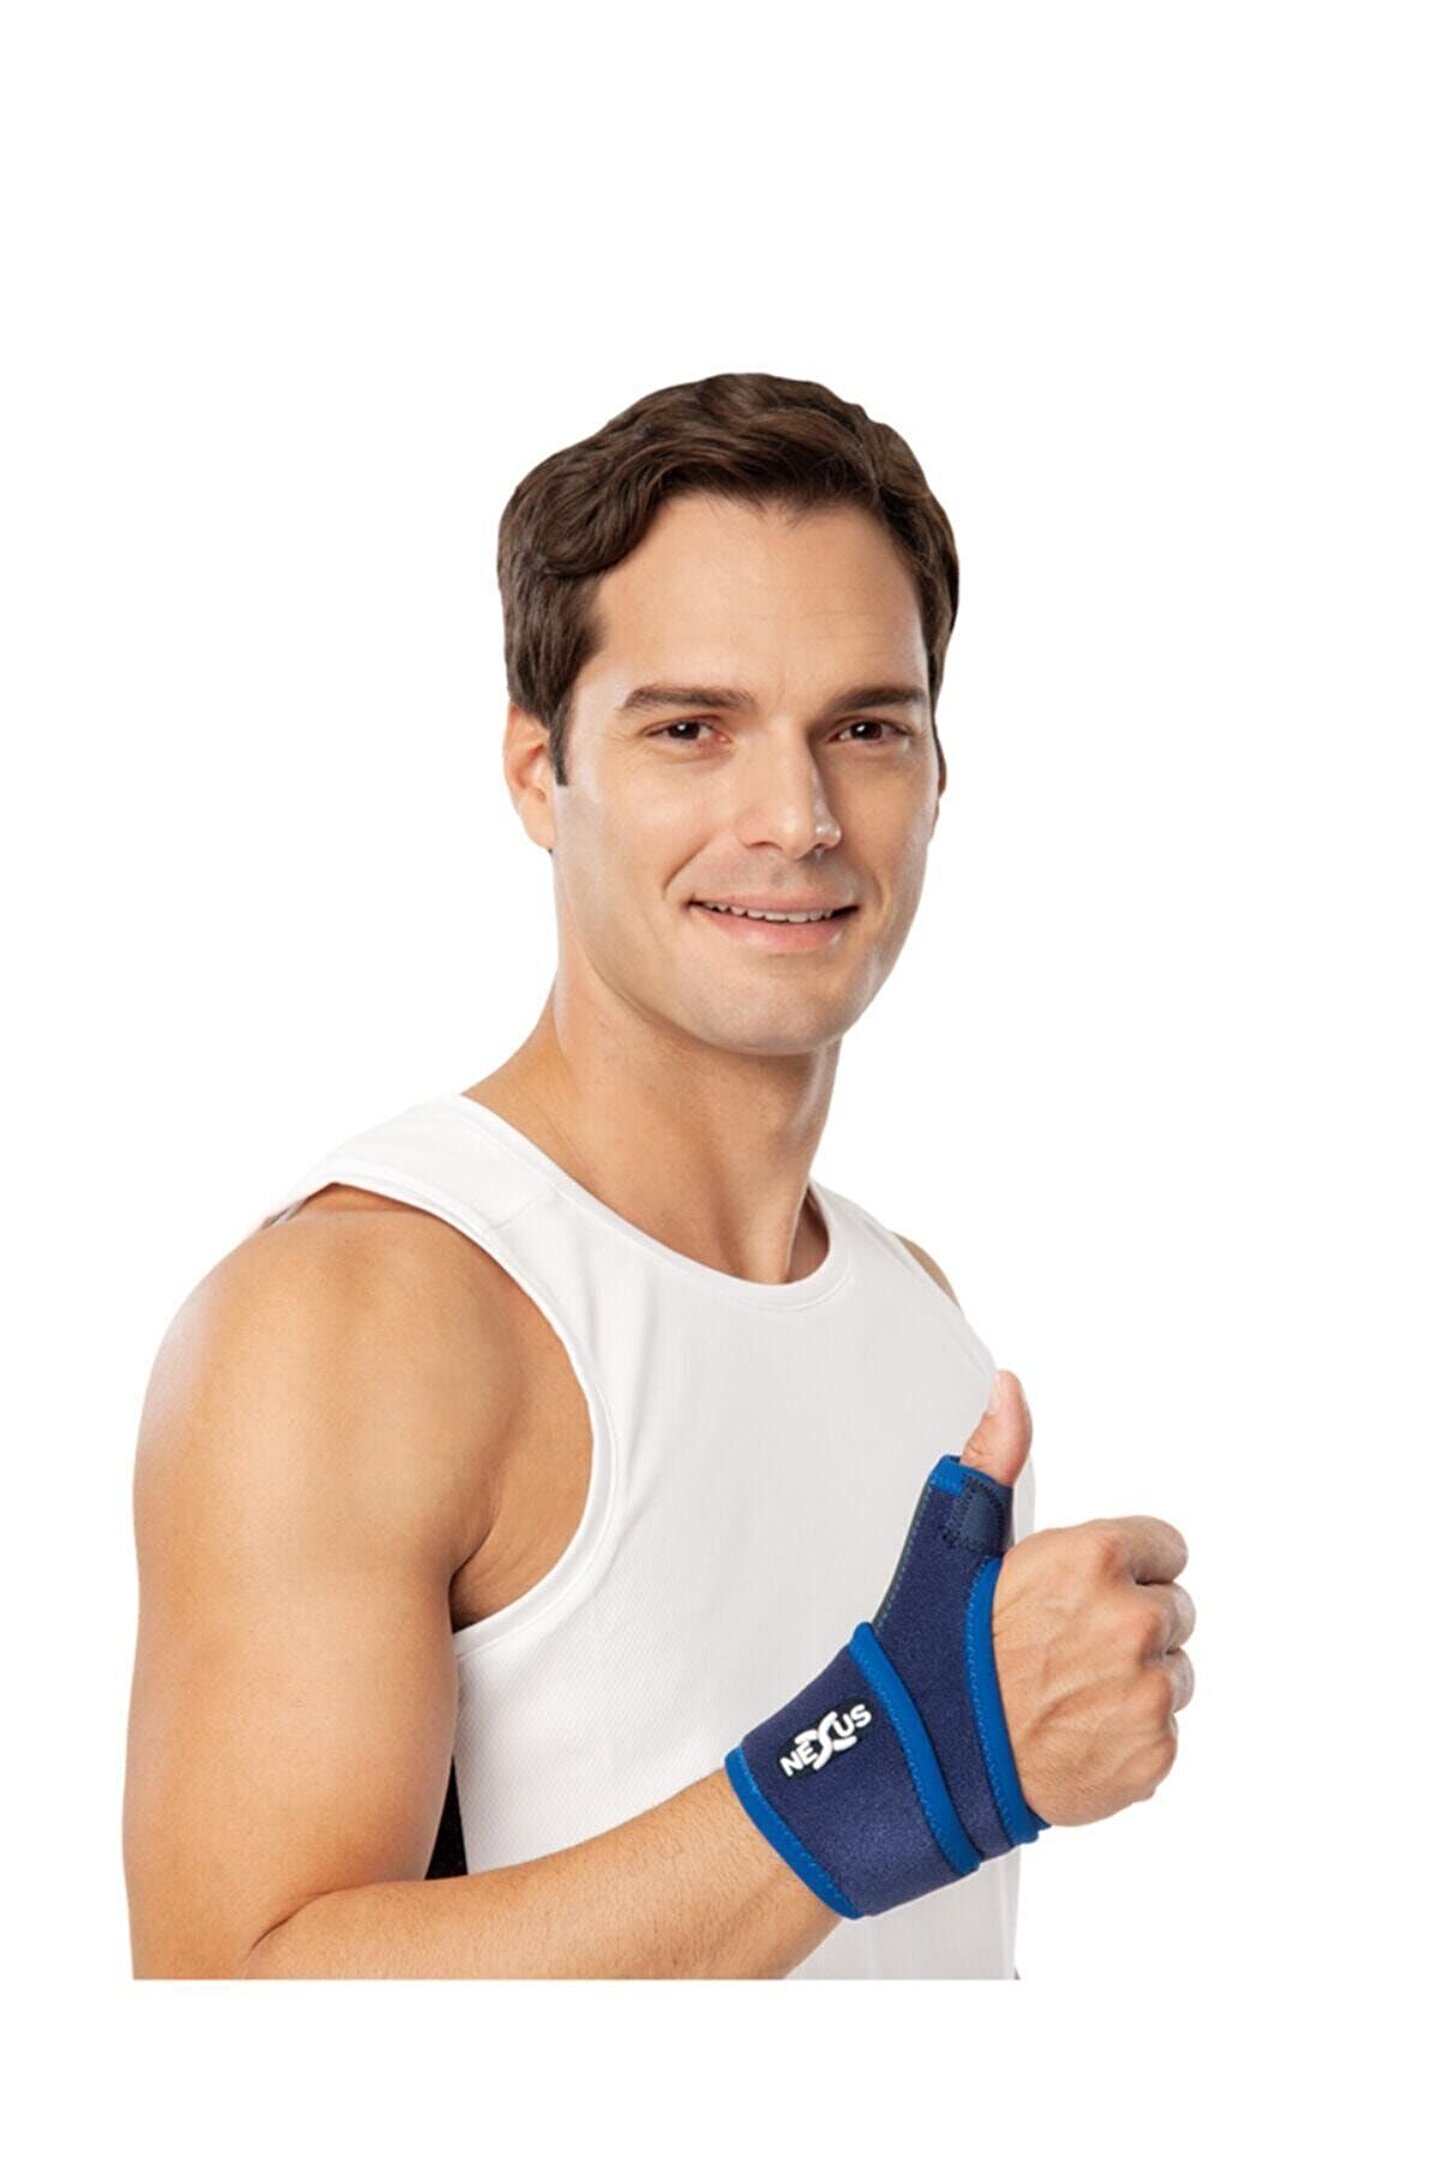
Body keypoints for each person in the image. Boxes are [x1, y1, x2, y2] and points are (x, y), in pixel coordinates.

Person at [122, 371, 1195, 1979]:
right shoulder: (359, 1312)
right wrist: (894, 1775)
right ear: (538, 773)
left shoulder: (927, 1325)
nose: (798, 817)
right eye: (692, 729)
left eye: (866, 729)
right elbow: (229, 2025)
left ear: (937, 774)